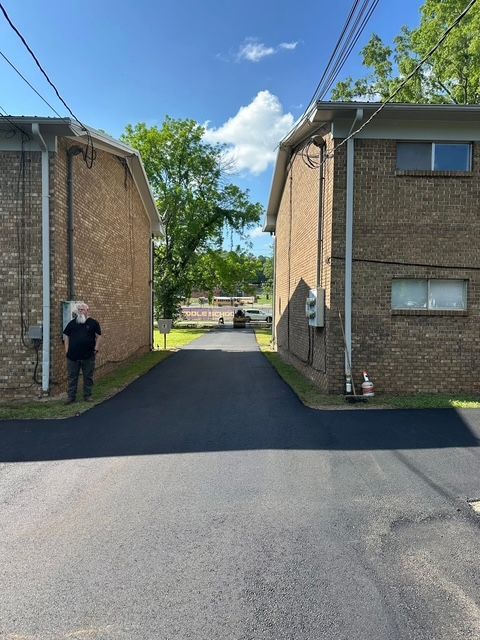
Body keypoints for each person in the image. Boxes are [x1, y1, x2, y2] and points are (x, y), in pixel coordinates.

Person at [63, 301, 102, 404]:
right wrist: (66, 350)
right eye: (79, 310)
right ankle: (71, 397)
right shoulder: (72, 323)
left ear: (87, 311)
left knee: (88, 377)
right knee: (72, 378)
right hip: (72, 357)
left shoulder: (93, 323)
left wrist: (96, 349)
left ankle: (87, 396)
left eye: (82, 309)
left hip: (88, 356)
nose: (80, 311)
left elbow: (99, 336)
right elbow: (66, 336)